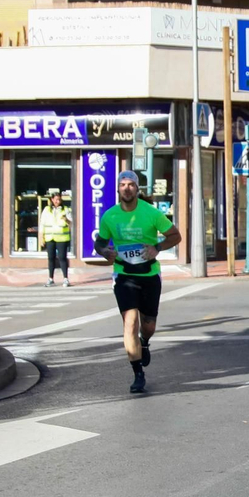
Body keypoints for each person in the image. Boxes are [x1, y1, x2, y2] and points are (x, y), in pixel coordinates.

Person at [94, 168, 182, 395]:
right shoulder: (110, 216)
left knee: (149, 324)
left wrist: (157, 247)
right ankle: (137, 374)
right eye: (123, 184)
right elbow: (100, 242)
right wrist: (106, 252)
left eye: (131, 184)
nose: (127, 188)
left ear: (137, 189)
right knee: (130, 322)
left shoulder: (151, 213)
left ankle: (144, 341)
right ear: (117, 189)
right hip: (123, 275)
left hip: (149, 274)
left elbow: (176, 235)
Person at [39, 192, 72, 287]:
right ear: (52, 200)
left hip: (62, 238)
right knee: (51, 258)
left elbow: (71, 224)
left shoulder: (65, 209)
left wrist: (66, 220)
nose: (57, 201)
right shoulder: (47, 210)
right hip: (50, 237)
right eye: (56, 199)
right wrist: (41, 237)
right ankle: (50, 278)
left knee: (62, 258)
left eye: (59, 199)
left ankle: (65, 278)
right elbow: (42, 224)